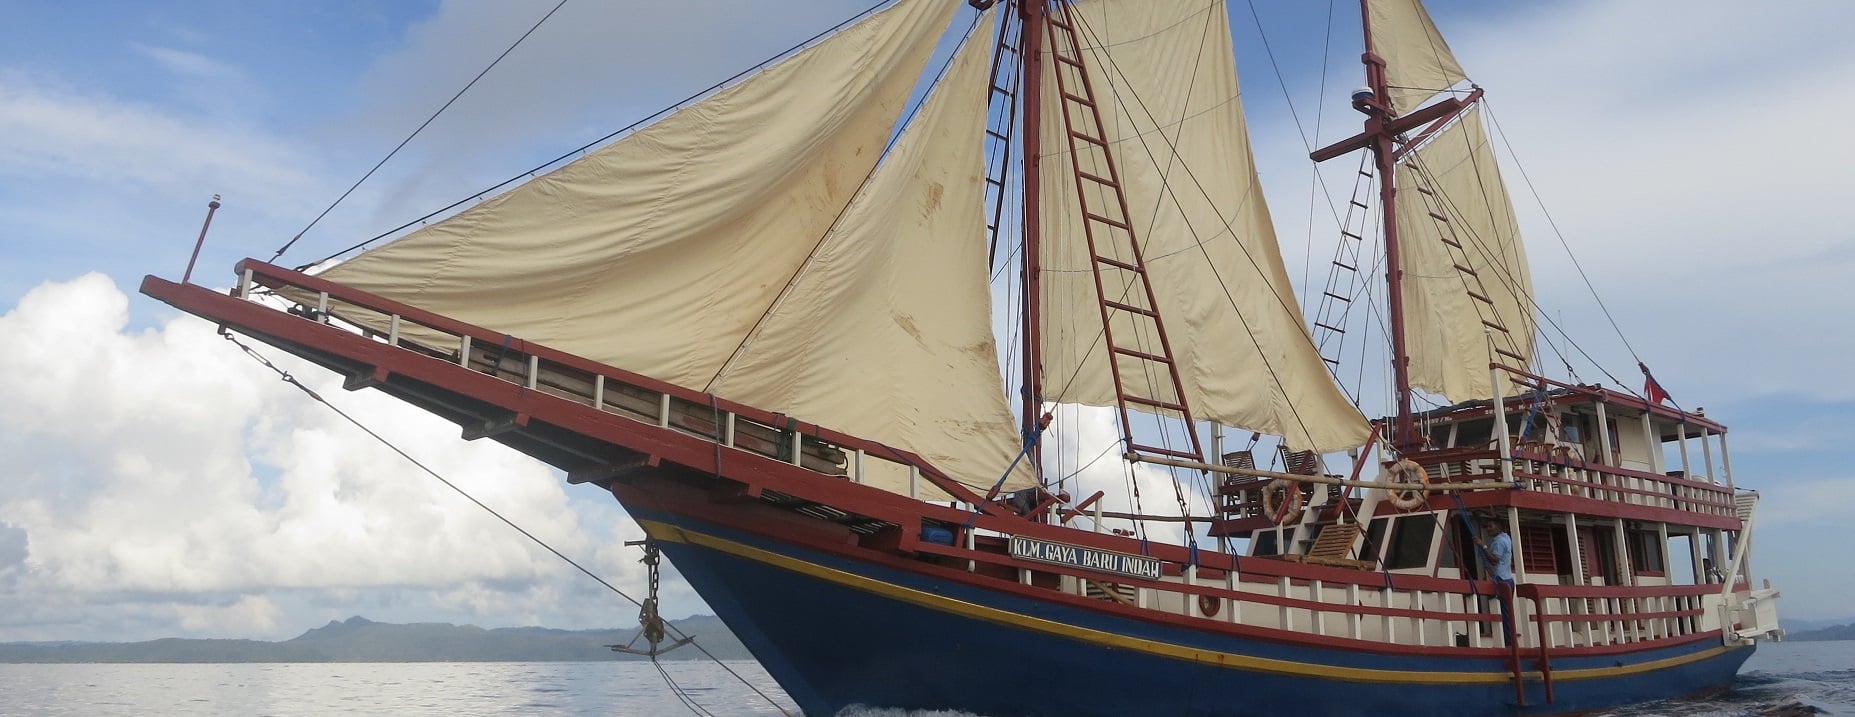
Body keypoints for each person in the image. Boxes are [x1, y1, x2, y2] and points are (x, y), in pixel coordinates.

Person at [1475, 518, 1515, 646]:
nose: (1488, 529)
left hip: (1501, 580)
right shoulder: (1506, 538)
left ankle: (1508, 643)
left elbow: (1494, 560)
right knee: (1506, 613)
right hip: (1507, 579)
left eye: (1490, 526)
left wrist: (1483, 546)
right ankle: (1507, 642)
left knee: (1503, 613)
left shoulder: (1499, 541)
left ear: (1498, 527)